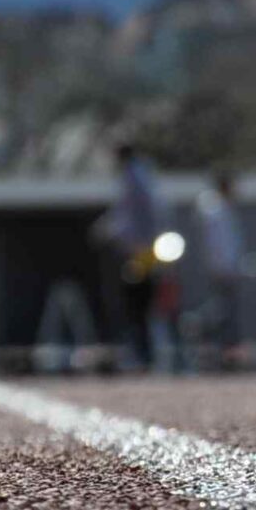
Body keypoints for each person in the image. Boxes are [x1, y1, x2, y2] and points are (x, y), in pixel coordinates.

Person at [103, 142, 165, 369]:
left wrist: (111, 232)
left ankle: (144, 355)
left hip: (139, 252)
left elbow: (130, 218)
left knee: (137, 304)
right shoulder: (142, 176)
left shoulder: (133, 178)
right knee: (142, 305)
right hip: (143, 250)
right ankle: (145, 353)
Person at [195, 168, 250, 365]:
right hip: (223, 269)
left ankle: (227, 351)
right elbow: (217, 244)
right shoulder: (215, 210)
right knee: (224, 311)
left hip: (229, 268)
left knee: (228, 311)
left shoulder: (224, 209)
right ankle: (203, 336)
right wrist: (223, 267)